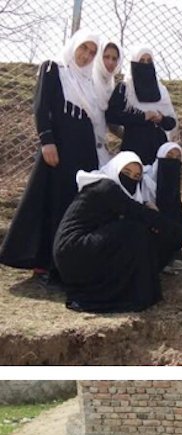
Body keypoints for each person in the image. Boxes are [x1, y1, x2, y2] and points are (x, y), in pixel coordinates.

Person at [0, 29, 102, 282]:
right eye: (84, 48)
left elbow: (94, 121)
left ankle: (65, 262)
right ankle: (43, 261)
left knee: (73, 203)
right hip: (60, 146)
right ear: (74, 45)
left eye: (92, 52)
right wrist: (47, 140)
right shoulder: (53, 69)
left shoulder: (89, 83)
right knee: (51, 200)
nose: (87, 55)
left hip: (84, 150)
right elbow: (41, 105)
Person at [52, 152, 182, 312]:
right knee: (133, 229)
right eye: (126, 173)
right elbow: (139, 214)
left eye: (136, 177)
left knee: (136, 228)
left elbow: (141, 214)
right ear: (114, 169)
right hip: (74, 252)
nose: (130, 179)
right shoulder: (105, 187)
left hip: (82, 251)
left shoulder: (113, 191)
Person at [106, 47, 178, 165]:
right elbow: (112, 115)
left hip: (158, 147)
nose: (145, 65)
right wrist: (142, 117)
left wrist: (161, 119)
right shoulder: (125, 88)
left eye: (149, 61)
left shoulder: (161, 90)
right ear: (134, 63)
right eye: (141, 61)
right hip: (133, 147)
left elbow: (171, 123)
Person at [143, 142, 182, 274]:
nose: (172, 161)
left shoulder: (171, 182)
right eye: (169, 156)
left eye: (177, 158)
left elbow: (178, 213)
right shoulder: (144, 180)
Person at [92, 39, 123, 165]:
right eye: (106, 57)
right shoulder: (89, 78)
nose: (110, 62)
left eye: (114, 59)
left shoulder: (110, 84)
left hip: (99, 141)